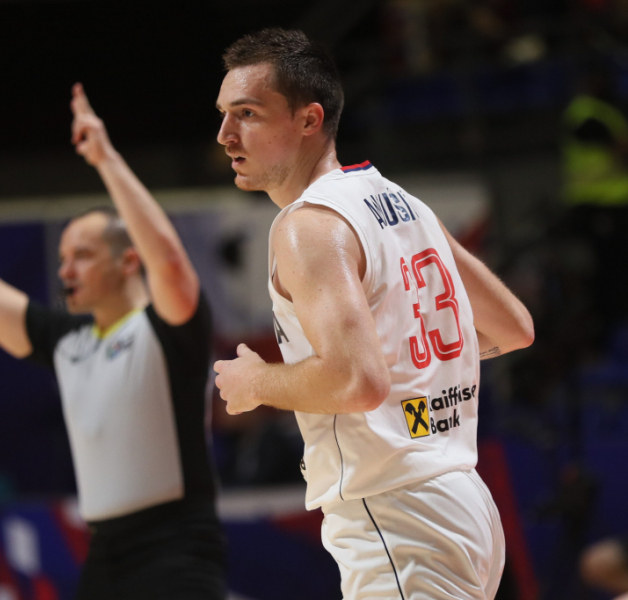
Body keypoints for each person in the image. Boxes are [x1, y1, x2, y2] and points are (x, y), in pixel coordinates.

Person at [212, 28, 534, 599]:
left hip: (398, 513)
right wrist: (416, 362)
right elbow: (513, 329)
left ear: (309, 120)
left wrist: (256, 382)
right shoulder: (404, 203)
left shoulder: (308, 225)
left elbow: (356, 382)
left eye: (248, 114)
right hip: (461, 501)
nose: (225, 135)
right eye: (224, 114)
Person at [0, 84, 226, 600]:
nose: (65, 271)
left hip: (176, 548)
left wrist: (106, 159)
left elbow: (171, 263)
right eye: (63, 258)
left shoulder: (166, 328)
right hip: (104, 554)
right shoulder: (68, 342)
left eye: (81, 255)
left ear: (128, 261)